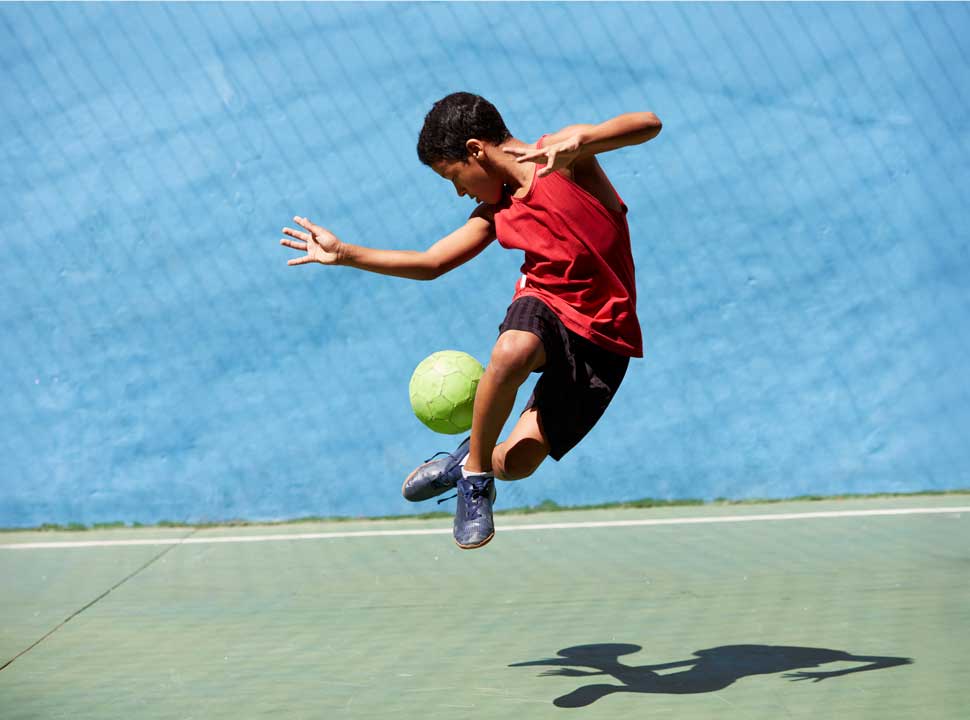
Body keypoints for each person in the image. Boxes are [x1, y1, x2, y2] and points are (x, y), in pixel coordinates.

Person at [280, 92, 661, 550]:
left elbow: (649, 122)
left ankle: (468, 461)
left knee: (519, 461)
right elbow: (431, 262)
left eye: (452, 176)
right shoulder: (495, 213)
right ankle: (476, 482)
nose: (459, 190)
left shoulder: (564, 157)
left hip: (605, 337)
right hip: (546, 306)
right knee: (512, 349)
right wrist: (344, 254)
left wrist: (585, 138)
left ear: (476, 151)